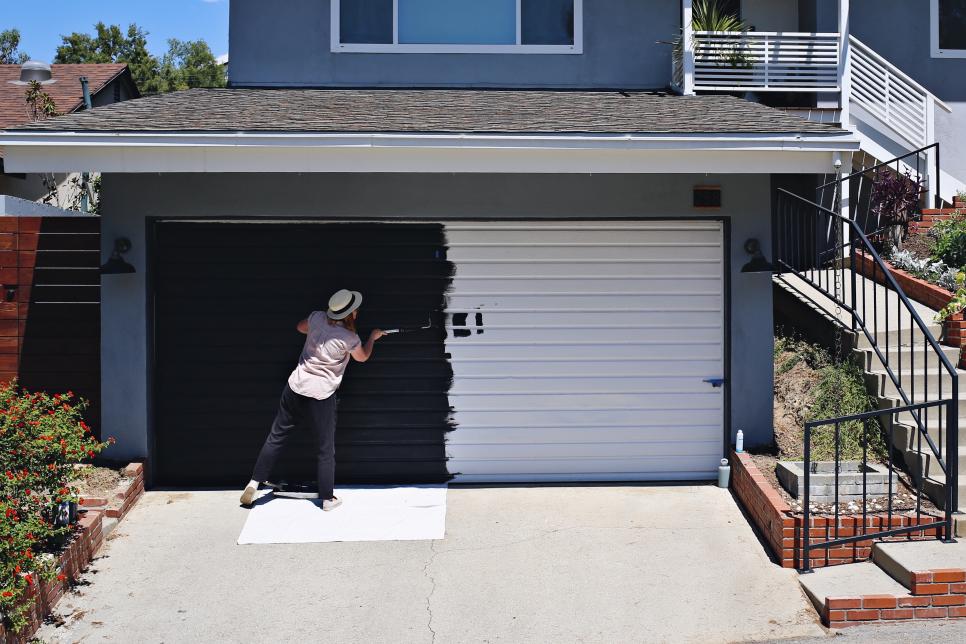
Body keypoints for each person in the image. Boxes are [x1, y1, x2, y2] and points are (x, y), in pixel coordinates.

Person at [240, 289, 385, 510]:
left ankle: (254, 481)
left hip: (296, 385)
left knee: (276, 436)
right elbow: (363, 357)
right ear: (351, 314)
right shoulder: (350, 338)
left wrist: (317, 333)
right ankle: (327, 499)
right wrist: (373, 339)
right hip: (321, 393)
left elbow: (300, 327)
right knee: (325, 448)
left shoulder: (317, 317)